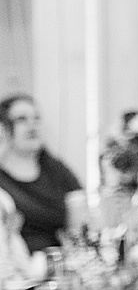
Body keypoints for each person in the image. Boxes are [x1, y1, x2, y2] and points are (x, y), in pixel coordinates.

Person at [0, 95, 82, 253]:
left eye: (36, 118)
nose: (32, 125)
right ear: (4, 128)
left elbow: (80, 219)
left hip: (59, 262)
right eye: (22, 119)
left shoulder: (56, 169)